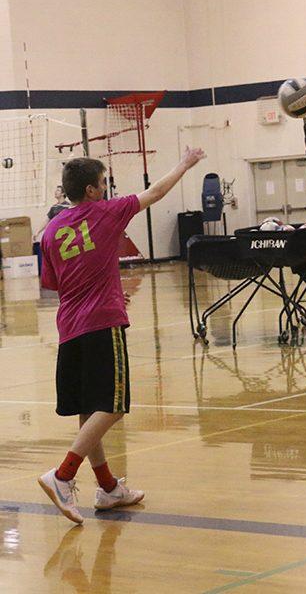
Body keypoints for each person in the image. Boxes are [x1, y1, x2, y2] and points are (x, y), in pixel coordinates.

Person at [38, 146, 206, 524]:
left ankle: (109, 488)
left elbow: (52, 285)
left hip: (69, 326)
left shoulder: (50, 232)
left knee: (88, 407)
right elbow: (156, 193)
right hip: (102, 321)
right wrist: (184, 163)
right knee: (113, 404)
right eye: (103, 183)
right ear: (93, 191)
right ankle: (63, 475)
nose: (107, 189)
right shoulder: (106, 212)